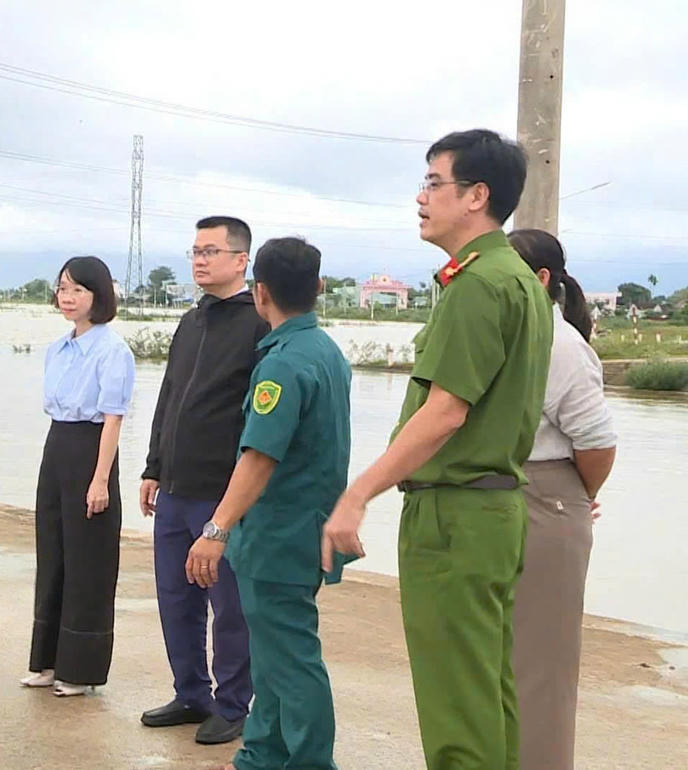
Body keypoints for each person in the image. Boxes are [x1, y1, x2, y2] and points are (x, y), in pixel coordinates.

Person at [322, 129, 553, 769]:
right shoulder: (514, 279)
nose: (420, 196)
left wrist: (357, 493)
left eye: (433, 182)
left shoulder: (479, 284)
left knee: (456, 704)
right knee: (485, 695)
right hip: (492, 512)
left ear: (476, 196)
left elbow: (446, 411)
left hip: (455, 515)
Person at [185, 236, 352, 770]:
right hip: (305, 529)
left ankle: (305, 761)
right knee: (276, 657)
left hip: (279, 535)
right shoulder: (325, 351)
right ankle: (262, 754)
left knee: (293, 660)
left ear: (260, 293)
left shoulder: (282, 364)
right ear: (319, 288)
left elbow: (260, 457)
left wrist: (216, 530)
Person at [139, 216, 268, 745]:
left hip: (222, 491)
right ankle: (190, 691)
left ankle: (233, 702)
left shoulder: (257, 323)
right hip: (174, 485)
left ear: (241, 260)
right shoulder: (190, 321)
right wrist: (152, 465)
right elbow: (169, 396)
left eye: (211, 251)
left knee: (229, 605)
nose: (199, 260)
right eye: (195, 251)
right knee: (176, 595)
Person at [507, 228, 617, 770]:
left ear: (541, 280)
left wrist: (574, 495)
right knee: (499, 662)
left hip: (546, 496)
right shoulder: (503, 335)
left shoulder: (562, 347)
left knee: (540, 670)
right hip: (503, 496)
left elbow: (597, 444)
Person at [21, 256, 135, 697]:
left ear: (99, 296)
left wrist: (100, 478)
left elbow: (113, 419)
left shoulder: (112, 350)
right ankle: (46, 661)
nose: (67, 297)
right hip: (58, 447)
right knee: (52, 552)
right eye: (63, 288)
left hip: (93, 448)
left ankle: (80, 670)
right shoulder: (58, 347)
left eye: (78, 290)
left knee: (89, 561)